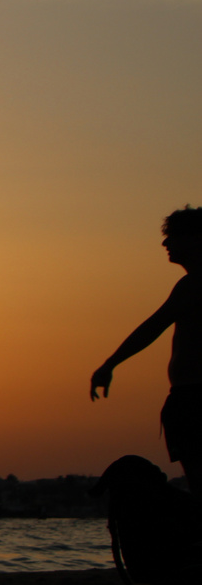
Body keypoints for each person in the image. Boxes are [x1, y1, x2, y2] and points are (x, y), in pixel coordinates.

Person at [91, 206, 202, 488]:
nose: (165, 243)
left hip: (194, 399)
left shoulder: (194, 285)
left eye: (173, 236)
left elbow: (153, 327)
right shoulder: (189, 285)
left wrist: (110, 363)